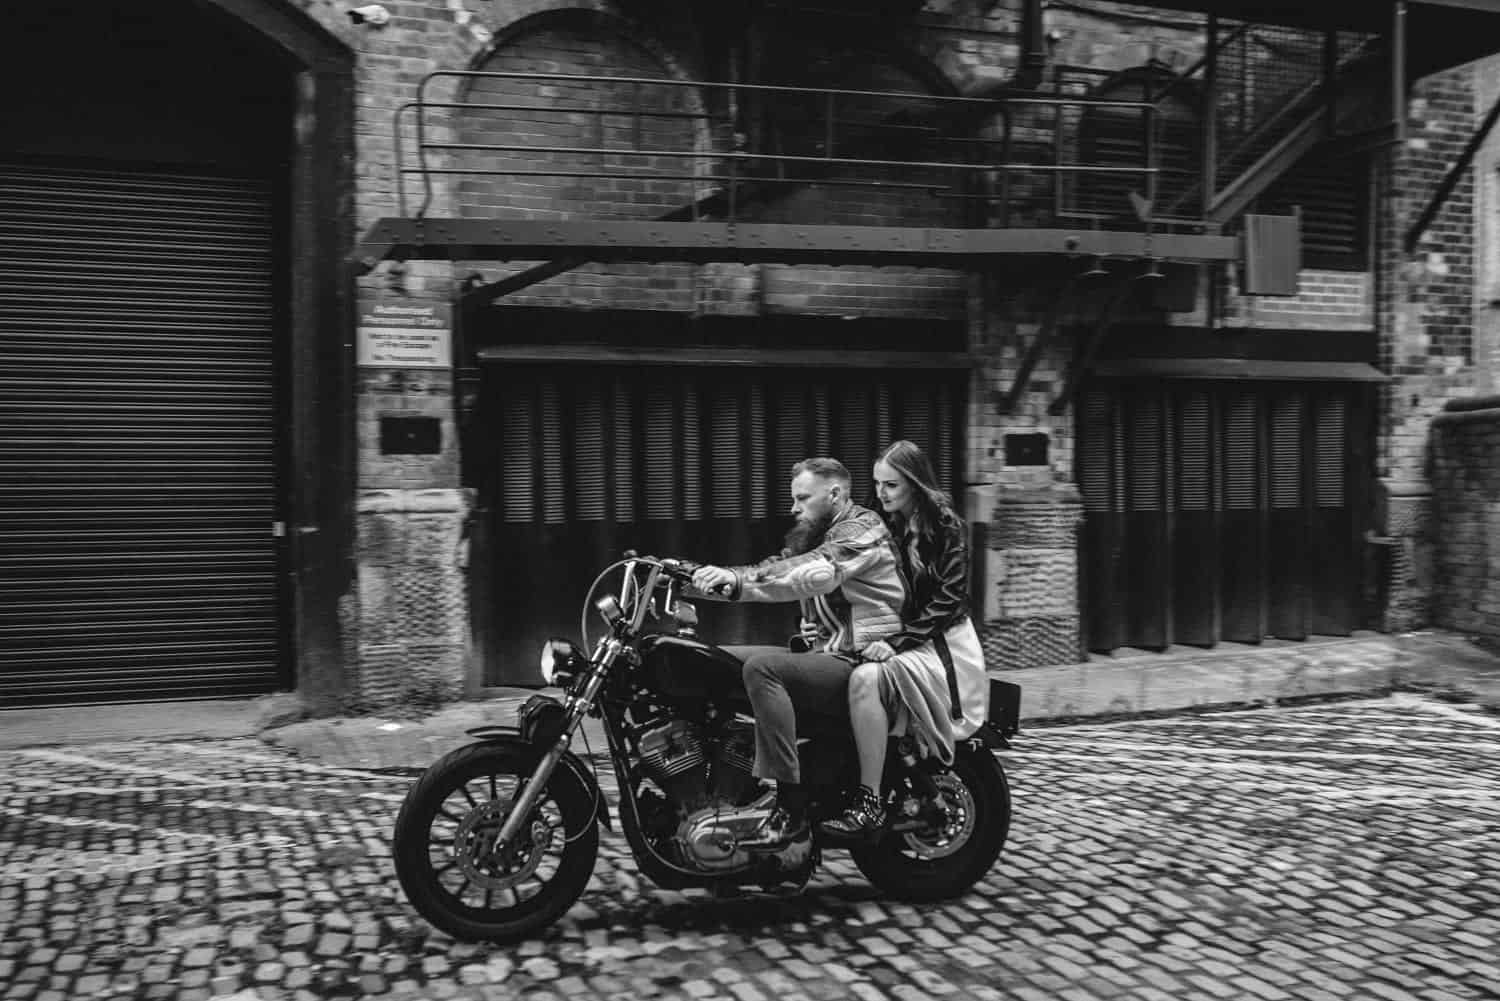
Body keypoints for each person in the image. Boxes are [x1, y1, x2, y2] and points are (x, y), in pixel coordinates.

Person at [689, 457, 906, 852]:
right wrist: (692, 579)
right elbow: (772, 567)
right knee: (716, 661)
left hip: (864, 661)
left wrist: (735, 580)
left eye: (802, 497)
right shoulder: (813, 534)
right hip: (828, 653)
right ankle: (726, 781)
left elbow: (812, 571)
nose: (794, 507)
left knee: (762, 670)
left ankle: (790, 807)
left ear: (835, 494)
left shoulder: (862, 528)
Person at [819, 440, 990, 840]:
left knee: (865, 680)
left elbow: (948, 600)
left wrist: (898, 642)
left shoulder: (946, 526)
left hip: (942, 643)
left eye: (891, 485)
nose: (881, 493)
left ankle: (870, 803)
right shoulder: (880, 523)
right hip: (898, 634)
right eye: (878, 484)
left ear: (914, 484)